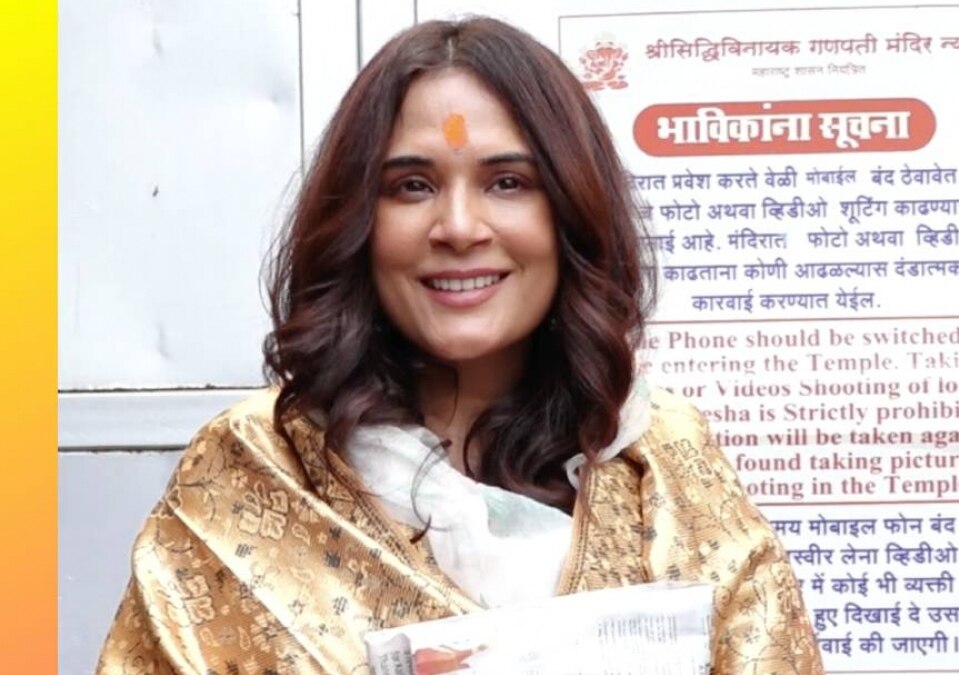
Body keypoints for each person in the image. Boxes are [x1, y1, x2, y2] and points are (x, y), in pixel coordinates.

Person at [96, 16, 824, 675]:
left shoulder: (658, 459)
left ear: (572, 212)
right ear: (357, 221)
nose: (459, 226)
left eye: (508, 182)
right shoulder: (252, 467)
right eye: (412, 186)